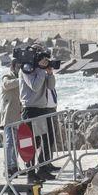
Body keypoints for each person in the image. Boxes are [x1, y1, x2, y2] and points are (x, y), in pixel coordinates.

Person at [20, 50, 60, 180]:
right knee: (30, 142)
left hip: (42, 109)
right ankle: (31, 173)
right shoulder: (27, 69)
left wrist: (50, 74)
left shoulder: (40, 70)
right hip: (30, 109)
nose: (45, 62)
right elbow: (35, 87)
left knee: (49, 139)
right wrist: (42, 70)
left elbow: (51, 86)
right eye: (43, 59)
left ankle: (42, 168)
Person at [0, 60, 22, 178]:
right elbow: (6, 84)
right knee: (9, 143)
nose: (20, 68)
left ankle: (14, 166)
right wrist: (22, 79)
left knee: (16, 142)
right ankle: (7, 168)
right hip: (8, 116)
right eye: (18, 66)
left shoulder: (20, 78)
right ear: (13, 66)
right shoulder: (7, 76)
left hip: (17, 115)